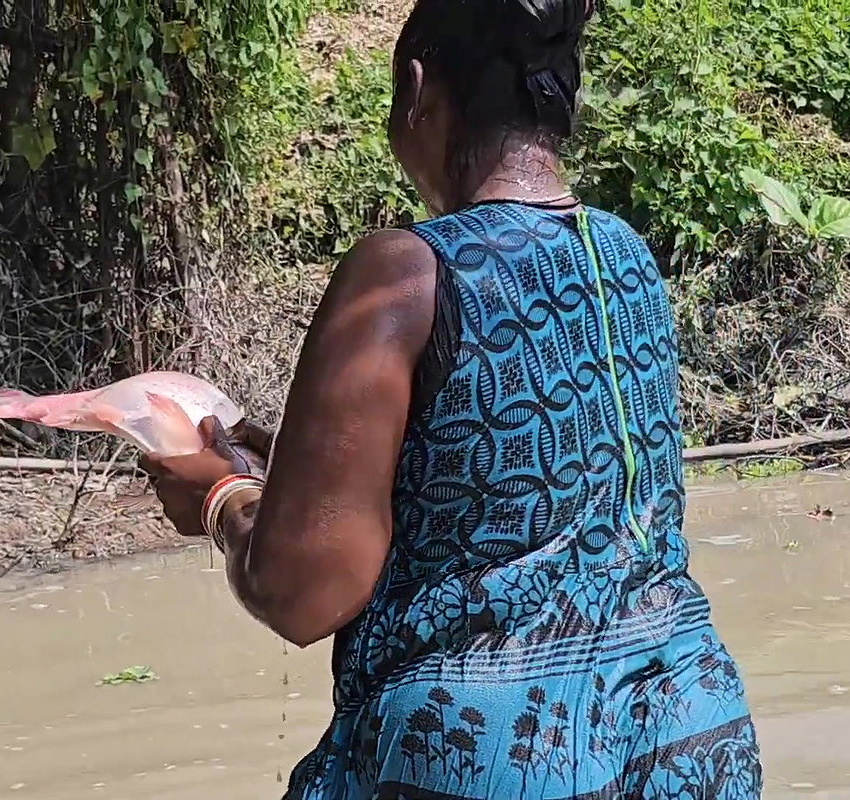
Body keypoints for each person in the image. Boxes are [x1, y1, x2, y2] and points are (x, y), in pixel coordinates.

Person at [140, 0, 762, 796]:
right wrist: (291, 466)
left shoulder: (403, 272)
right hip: (692, 735)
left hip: (490, 755)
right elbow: (519, 497)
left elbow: (302, 593)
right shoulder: (624, 253)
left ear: (417, 88)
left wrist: (220, 496)